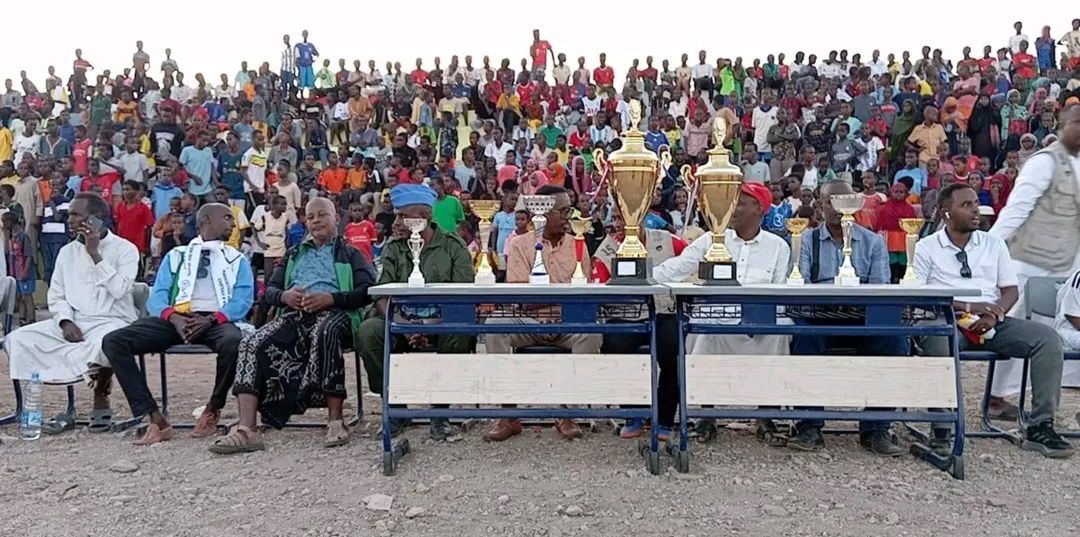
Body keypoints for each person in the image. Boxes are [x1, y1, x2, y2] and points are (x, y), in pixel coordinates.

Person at [916, 183, 1073, 458]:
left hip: (991, 322)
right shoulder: (927, 247)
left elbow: (1010, 290)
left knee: (1046, 339)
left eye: (976, 203)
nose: (976, 210)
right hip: (947, 320)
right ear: (946, 212)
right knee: (937, 341)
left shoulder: (993, 243)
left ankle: (1040, 426)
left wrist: (994, 313)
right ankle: (942, 426)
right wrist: (967, 306)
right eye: (966, 205)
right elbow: (918, 294)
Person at [210, 197, 375, 453]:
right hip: (294, 315)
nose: (316, 220)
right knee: (251, 342)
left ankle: (336, 420)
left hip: (336, 314)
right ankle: (247, 429)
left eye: (322, 215)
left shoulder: (350, 253)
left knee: (326, 331)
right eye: (311, 217)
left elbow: (366, 291)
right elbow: (270, 291)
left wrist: (331, 298)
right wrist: (285, 296)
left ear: (336, 218)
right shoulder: (294, 254)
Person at [102, 203, 254, 445]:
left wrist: (211, 319)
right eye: (226, 217)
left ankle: (213, 409)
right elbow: (158, 297)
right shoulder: (176, 256)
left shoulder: (237, 259)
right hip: (177, 318)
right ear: (205, 220)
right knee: (114, 341)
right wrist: (174, 317)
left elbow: (243, 300)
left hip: (216, 320)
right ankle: (154, 418)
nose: (233, 223)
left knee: (233, 342)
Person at [653, 183, 790, 441]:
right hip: (716, 317)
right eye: (733, 202)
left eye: (741, 203)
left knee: (780, 331)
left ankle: (765, 415)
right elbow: (678, 267)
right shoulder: (712, 239)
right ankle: (706, 415)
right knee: (704, 333)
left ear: (759, 208)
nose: (733, 209)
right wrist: (642, 275)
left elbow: (780, 291)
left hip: (760, 321)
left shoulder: (778, 246)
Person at [4, 193, 139, 433]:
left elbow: (120, 290)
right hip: (74, 321)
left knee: (106, 342)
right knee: (18, 339)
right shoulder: (67, 252)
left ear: (97, 218)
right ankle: (30, 407)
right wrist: (65, 321)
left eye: (77, 215)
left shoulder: (125, 249)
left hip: (113, 321)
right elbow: (56, 295)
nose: (70, 220)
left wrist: (95, 254)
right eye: (69, 214)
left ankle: (101, 398)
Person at [790, 180, 906, 456]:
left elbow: (880, 289)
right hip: (820, 316)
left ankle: (876, 427)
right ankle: (809, 425)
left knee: (894, 340)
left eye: (845, 201)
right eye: (831, 201)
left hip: (862, 316)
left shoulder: (872, 242)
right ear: (820, 206)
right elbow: (800, 286)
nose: (837, 207)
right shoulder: (805, 241)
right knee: (804, 336)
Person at [483, 184, 601, 442]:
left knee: (591, 333)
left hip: (567, 321)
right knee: (494, 326)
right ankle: (507, 414)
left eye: (569, 210)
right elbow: (520, 294)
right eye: (563, 211)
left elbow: (585, 293)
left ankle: (567, 412)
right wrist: (550, 305)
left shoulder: (578, 244)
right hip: (529, 321)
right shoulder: (519, 244)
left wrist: (560, 312)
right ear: (543, 213)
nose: (569, 217)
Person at [356, 184, 474, 441]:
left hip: (442, 321)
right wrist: (406, 326)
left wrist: (427, 325)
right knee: (369, 332)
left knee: (459, 331)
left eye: (402, 215)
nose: (396, 222)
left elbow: (463, 295)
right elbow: (381, 294)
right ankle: (396, 407)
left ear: (425, 216)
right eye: (396, 215)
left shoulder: (452, 246)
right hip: (399, 321)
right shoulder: (394, 247)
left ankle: (440, 411)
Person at [988, 104, 1080, 416]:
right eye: (1077, 122)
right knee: (1014, 326)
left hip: (1070, 263)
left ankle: (1048, 406)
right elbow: (1016, 209)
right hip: (1030, 260)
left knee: (1061, 332)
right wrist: (988, 249)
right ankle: (995, 398)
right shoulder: (1044, 162)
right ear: (1062, 125)